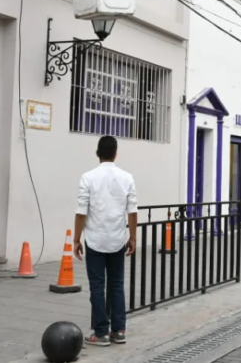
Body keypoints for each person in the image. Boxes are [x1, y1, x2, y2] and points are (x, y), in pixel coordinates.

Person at [74, 136, 138, 347]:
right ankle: (119, 331)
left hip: (95, 240)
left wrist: (76, 239)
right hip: (117, 239)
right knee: (117, 285)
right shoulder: (127, 178)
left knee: (97, 286)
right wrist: (132, 238)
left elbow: (81, 212)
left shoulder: (87, 178)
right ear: (115, 154)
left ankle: (101, 332)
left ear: (97, 153)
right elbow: (132, 211)